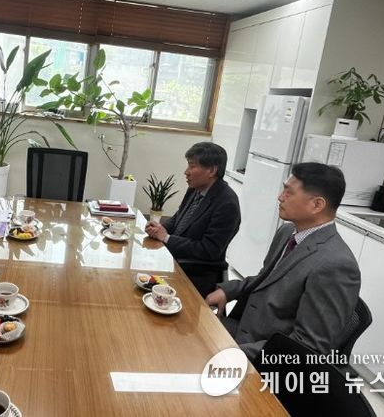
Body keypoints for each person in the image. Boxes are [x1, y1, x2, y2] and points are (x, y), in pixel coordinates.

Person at [205, 163, 361, 360]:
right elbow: (266, 278)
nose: (280, 197)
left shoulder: (335, 265)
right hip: (245, 330)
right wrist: (228, 290)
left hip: (264, 354)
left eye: (289, 192)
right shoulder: (287, 232)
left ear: (317, 205)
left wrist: (237, 353)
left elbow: (308, 346)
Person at [145, 142, 241, 297]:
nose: (186, 172)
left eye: (192, 166)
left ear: (211, 170)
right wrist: (158, 228)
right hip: (174, 259)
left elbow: (209, 250)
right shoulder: (195, 189)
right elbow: (178, 217)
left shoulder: (227, 203)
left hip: (196, 274)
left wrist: (167, 238)